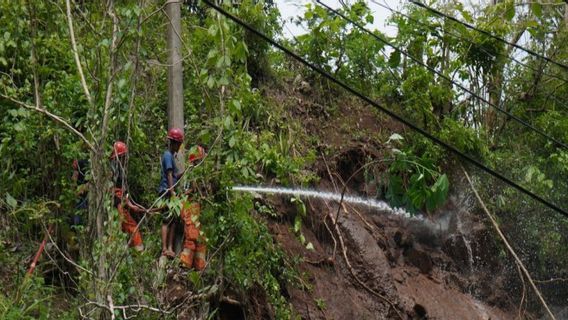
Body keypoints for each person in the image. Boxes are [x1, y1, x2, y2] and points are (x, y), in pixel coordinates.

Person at [110, 141, 148, 252]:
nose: (124, 159)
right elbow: (111, 190)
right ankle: (137, 251)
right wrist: (118, 205)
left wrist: (131, 205)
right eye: (122, 156)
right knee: (127, 227)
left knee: (126, 226)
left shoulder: (120, 169)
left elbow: (124, 191)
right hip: (116, 204)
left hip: (121, 202)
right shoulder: (111, 170)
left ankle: (132, 252)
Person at [179, 145, 207, 270]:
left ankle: (199, 267)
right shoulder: (191, 172)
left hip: (194, 206)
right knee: (192, 236)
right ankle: (185, 265)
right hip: (190, 205)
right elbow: (190, 191)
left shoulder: (192, 172)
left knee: (200, 238)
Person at [159, 128, 184, 258]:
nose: (179, 147)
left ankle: (170, 247)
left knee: (173, 220)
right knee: (166, 219)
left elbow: (174, 176)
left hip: (170, 190)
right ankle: (164, 248)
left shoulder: (171, 156)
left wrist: (184, 172)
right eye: (178, 144)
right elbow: (169, 174)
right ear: (173, 143)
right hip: (166, 191)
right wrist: (172, 191)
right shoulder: (168, 155)